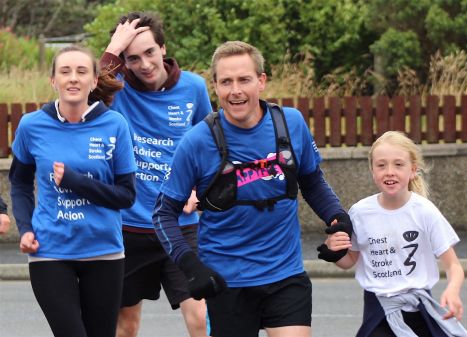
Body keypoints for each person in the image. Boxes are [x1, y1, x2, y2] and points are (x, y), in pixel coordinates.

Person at [152, 40, 352, 337]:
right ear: (215, 87)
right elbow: (163, 214)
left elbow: (311, 180)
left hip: (285, 274)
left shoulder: (291, 124)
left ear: (261, 81)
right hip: (227, 280)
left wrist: (336, 216)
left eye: (244, 79)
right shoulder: (196, 142)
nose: (236, 91)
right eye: (226, 82)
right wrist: (190, 264)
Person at [8, 45, 137, 337]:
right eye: (65, 72)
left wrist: (75, 181)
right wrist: (26, 228)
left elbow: (126, 196)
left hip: (104, 251)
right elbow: (19, 183)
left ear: (94, 81)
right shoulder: (32, 126)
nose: (73, 78)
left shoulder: (115, 125)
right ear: (53, 80)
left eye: (81, 71)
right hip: (51, 252)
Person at [100, 11, 213, 337]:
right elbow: (87, 94)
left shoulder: (194, 87)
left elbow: (210, 147)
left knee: (201, 316)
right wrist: (113, 48)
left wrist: (199, 189)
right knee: (126, 325)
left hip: (181, 225)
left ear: (163, 48)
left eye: (150, 52)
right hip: (128, 228)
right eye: (132, 57)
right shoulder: (116, 89)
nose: (145, 64)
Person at [324, 131, 467, 337]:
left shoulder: (424, 211)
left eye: (398, 164)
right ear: (372, 171)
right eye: (381, 165)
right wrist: (334, 251)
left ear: (413, 170)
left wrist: (453, 290)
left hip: (420, 310)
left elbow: (454, 265)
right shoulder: (360, 212)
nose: (389, 171)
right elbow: (349, 261)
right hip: (378, 311)